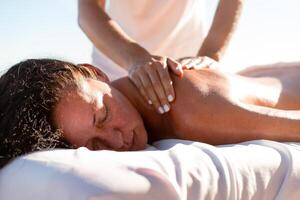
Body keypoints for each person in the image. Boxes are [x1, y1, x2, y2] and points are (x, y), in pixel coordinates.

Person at [1, 58, 300, 168]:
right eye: (94, 145)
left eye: (103, 116)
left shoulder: (187, 110)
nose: (117, 141)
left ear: (95, 72)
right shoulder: (147, 98)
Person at [78, 0, 244, 114]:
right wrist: (135, 59)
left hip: (185, 66)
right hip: (115, 64)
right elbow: (88, 10)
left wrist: (210, 55)